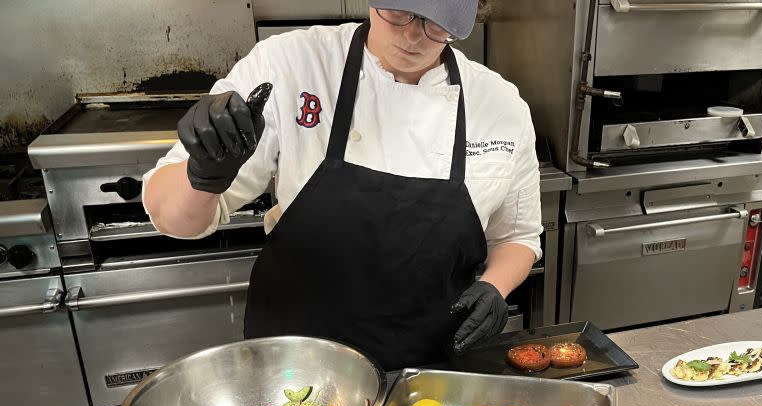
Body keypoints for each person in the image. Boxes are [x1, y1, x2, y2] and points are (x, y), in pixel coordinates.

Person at [142, 0, 542, 371]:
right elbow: (174, 218)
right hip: (296, 366)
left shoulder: (500, 105)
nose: (412, 35)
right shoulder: (291, 65)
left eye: (438, 21)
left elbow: (519, 236)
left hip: (427, 369)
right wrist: (203, 174)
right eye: (399, 11)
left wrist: (494, 286)